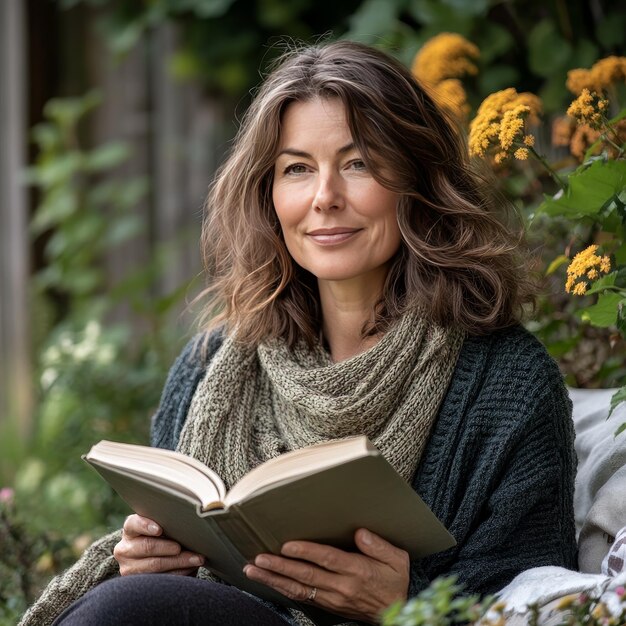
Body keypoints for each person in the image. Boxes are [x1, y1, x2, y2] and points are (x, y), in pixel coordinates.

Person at [20, 40, 577, 626]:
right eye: (297, 169)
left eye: (358, 163)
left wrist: (403, 603)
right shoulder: (209, 363)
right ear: (268, 193)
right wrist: (145, 558)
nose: (324, 198)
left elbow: (541, 606)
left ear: (416, 179)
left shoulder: (509, 383)